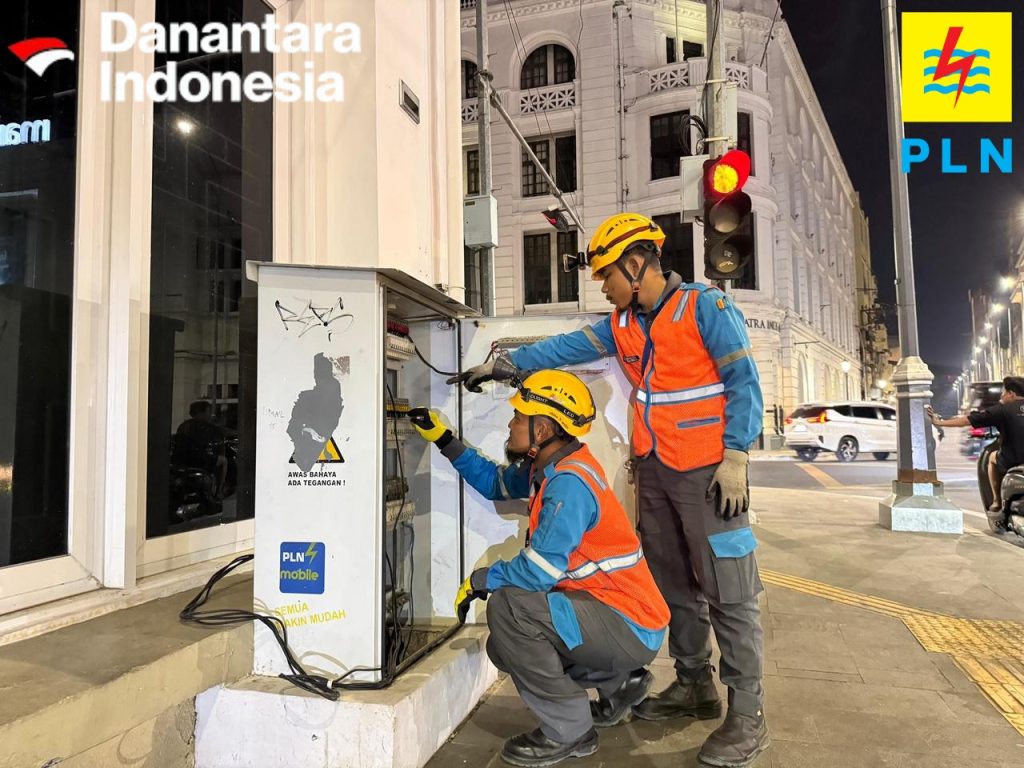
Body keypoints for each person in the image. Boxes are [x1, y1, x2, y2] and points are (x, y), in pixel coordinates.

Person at [449, 213, 768, 768]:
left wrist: (737, 454)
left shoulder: (705, 308)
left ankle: (748, 717)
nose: (603, 286)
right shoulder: (622, 325)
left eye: (607, 275)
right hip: (656, 472)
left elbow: (744, 381)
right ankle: (694, 684)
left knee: (729, 593)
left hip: (711, 474)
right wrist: (503, 367)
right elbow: (563, 348)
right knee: (676, 587)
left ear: (637, 264)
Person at [409, 370, 670, 768]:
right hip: (617, 616)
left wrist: (482, 580)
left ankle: (570, 730)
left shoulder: (569, 483)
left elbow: (538, 572)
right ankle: (619, 683)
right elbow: (496, 483)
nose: (510, 424)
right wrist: (445, 440)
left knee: (508, 608)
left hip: (628, 623)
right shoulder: (546, 467)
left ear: (543, 429)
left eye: (518, 417)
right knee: (503, 646)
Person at [928, 376, 1024, 512]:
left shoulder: (1002, 410)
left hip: (1014, 459)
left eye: (1003, 392)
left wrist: (939, 422)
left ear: (1011, 394)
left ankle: (997, 501)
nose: (1001, 395)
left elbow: (967, 421)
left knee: (991, 458)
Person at [173, 400, 227, 497]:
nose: (210, 415)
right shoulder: (205, 426)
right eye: (208, 412)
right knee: (223, 461)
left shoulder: (183, 426)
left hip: (181, 460)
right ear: (202, 412)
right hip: (198, 459)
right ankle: (219, 492)